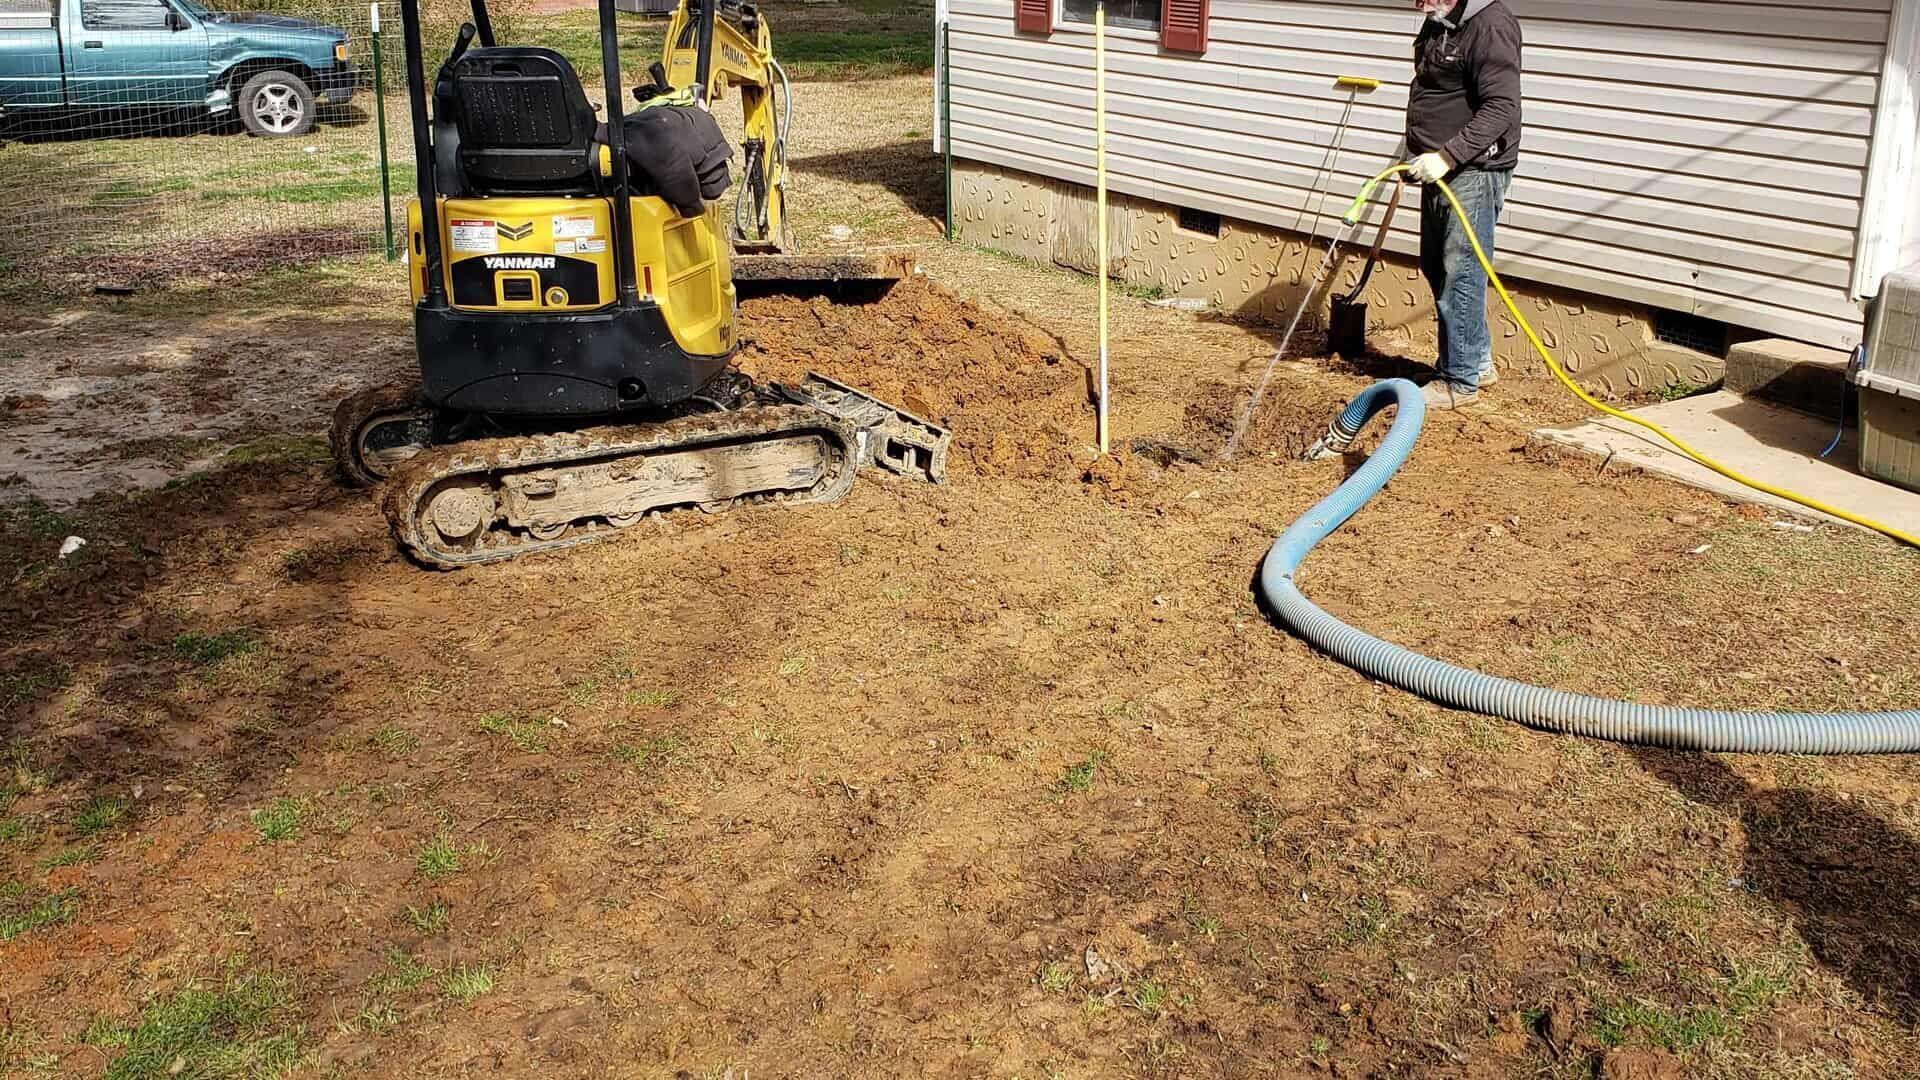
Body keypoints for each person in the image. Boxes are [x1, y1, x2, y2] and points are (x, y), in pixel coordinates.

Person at [1405, 0, 1522, 410]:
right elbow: (1436, 91)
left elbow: (1500, 108)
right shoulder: (1440, 21)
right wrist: (1417, 152)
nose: (1419, 3)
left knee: (1462, 272)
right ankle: (1475, 363)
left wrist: (1447, 156)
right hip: (1440, 167)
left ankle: (1459, 381)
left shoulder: (1490, 25)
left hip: (1473, 169)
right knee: (1437, 265)